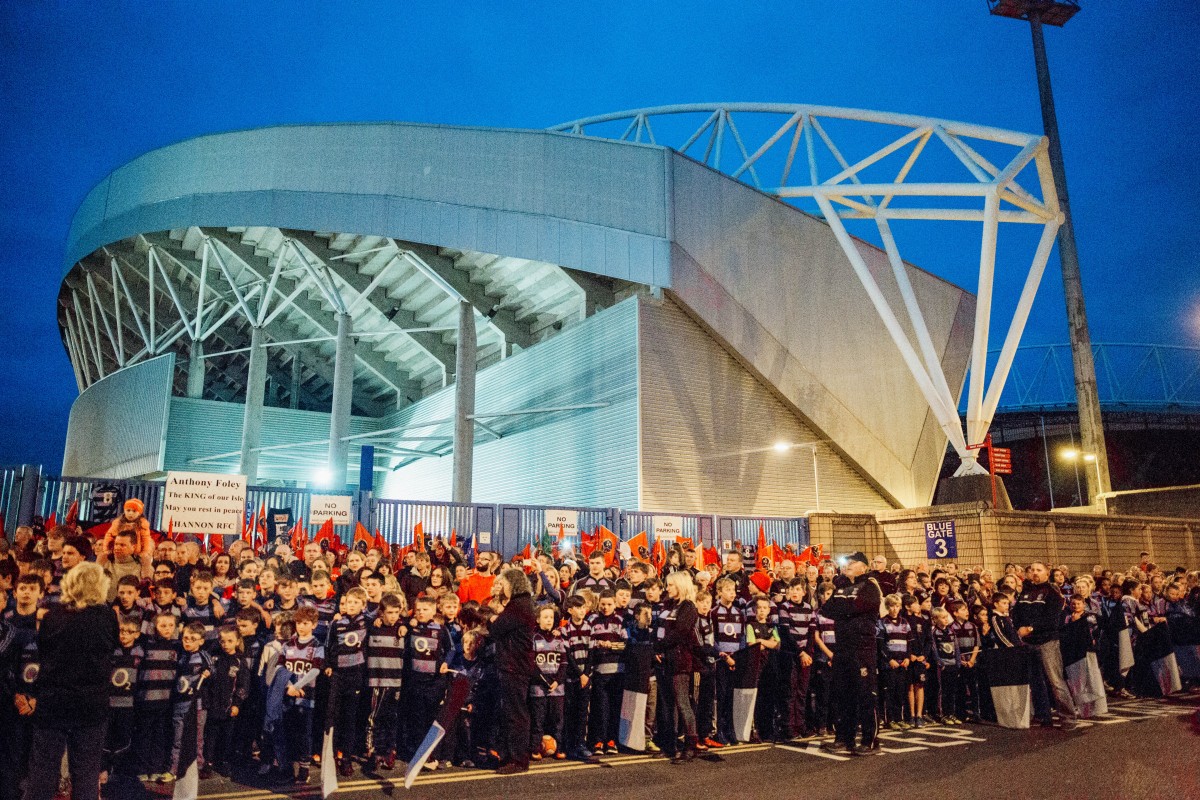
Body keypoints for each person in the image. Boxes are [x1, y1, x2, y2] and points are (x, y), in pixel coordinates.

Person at [20, 562, 119, 800]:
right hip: (91, 703)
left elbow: (44, 651)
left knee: (42, 773)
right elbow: (112, 646)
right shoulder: (106, 617)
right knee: (85, 774)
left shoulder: (53, 617)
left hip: (53, 700)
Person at [820, 551, 882, 756]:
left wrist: (844, 607)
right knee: (843, 694)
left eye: (851, 562)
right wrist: (847, 607)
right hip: (842, 647)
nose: (846, 565)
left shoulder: (870, 586)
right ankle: (844, 738)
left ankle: (869, 740)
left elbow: (860, 606)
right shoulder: (841, 586)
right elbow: (827, 609)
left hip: (862, 648)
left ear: (863, 567)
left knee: (865, 694)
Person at [1014, 561, 1079, 729]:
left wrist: (1030, 629)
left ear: (1047, 572)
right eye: (1032, 570)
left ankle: (1068, 718)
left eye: (1039, 570)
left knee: (1056, 682)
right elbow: (1017, 615)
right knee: (1036, 682)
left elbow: (1051, 620)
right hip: (1028, 643)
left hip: (1047, 642)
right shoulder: (1025, 593)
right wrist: (1020, 629)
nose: (1035, 573)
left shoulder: (1052, 593)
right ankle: (1043, 715)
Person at [489, 567, 538, 775]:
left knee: (516, 714)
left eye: (505, 584)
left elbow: (495, 629)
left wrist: (491, 621)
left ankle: (518, 759)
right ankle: (511, 756)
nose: (502, 588)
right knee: (513, 712)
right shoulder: (522, 605)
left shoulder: (518, 606)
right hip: (515, 665)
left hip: (514, 666)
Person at [655, 570, 700, 762]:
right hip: (666, 660)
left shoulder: (688, 607)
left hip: (680, 661)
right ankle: (669, 744)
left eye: (671, 585)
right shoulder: (671, 605)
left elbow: (680, 633)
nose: (667, 588)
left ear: (680, 586)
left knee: (682, 703)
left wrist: (659, 645)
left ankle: (690, 746)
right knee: (667, 705)